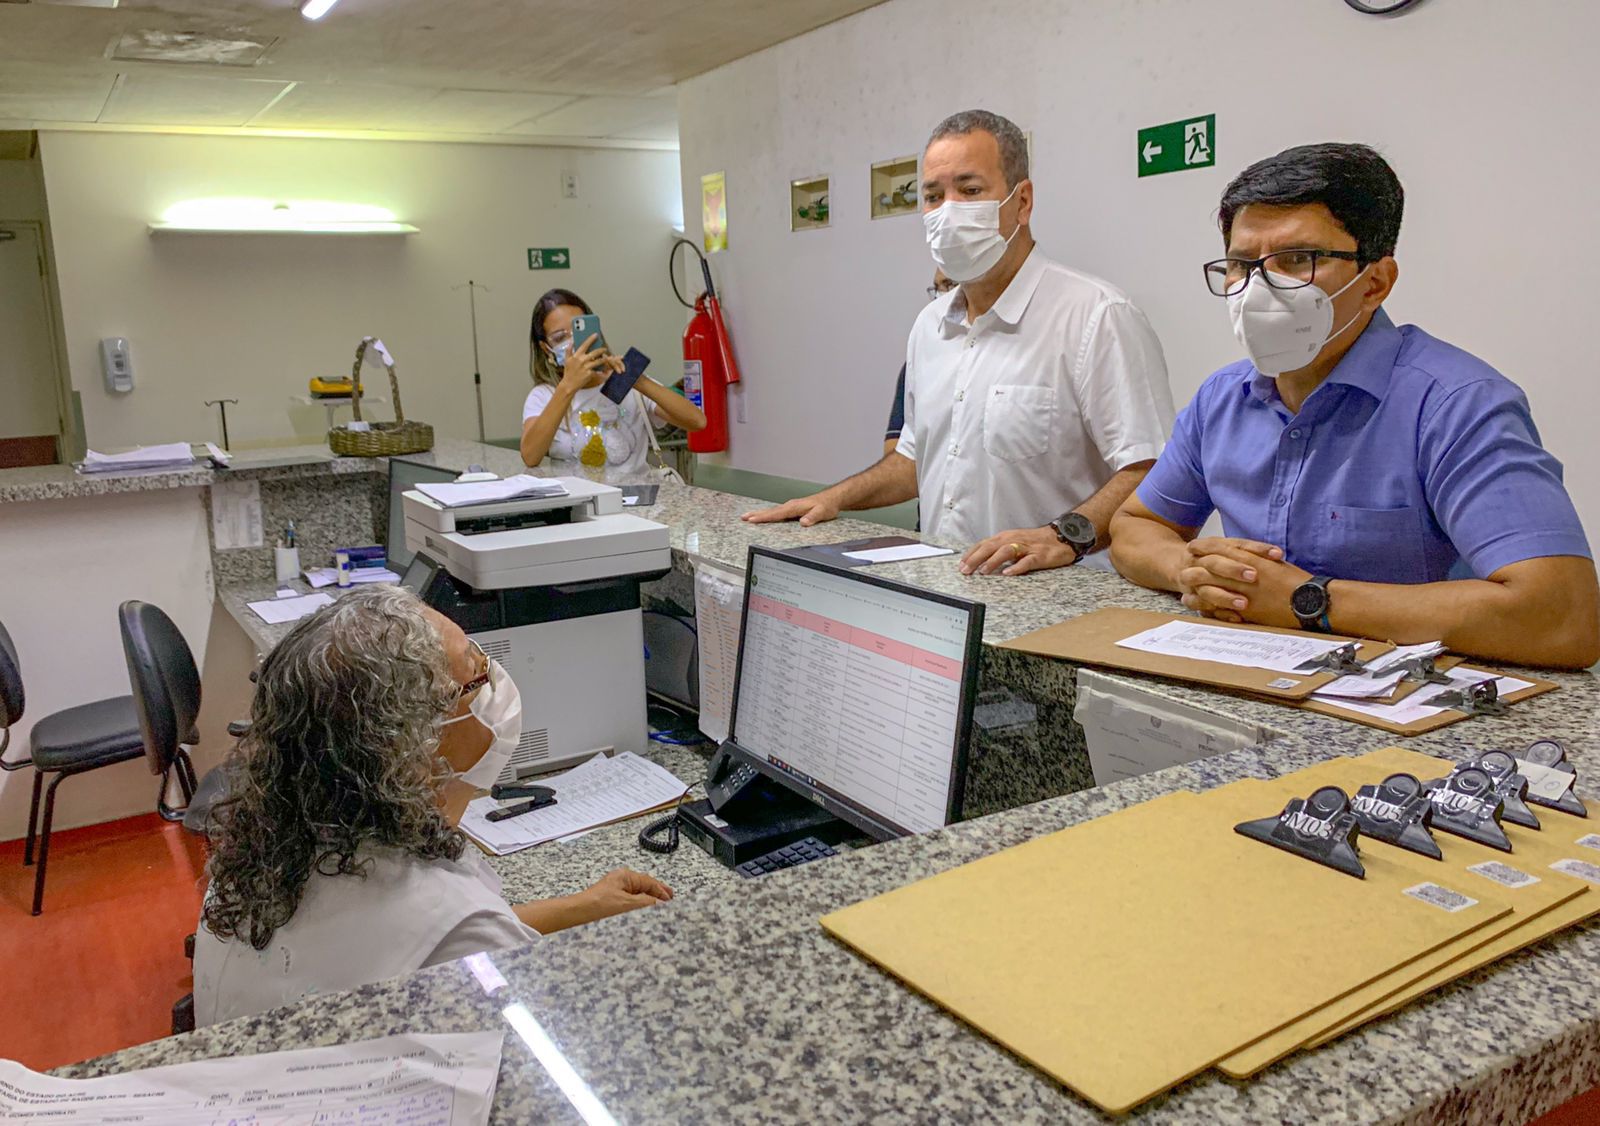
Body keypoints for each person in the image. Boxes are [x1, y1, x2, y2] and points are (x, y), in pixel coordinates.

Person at [1109, 143, 1598, 669]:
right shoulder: (1222, 398)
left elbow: (1562, 615)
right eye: (1241, 264)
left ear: (1376, 283)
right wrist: (1193, 570)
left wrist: (1309, 601)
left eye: (1298, 260)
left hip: (1414, 713)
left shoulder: (1456, 403)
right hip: (1254, 682)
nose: (1257, 289)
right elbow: (1133, 528)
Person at [193, 586, 674, 1025]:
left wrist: (579, 907)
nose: (493, 679)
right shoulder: (447, 925)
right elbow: (469, 956)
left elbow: (414, 943)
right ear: (412, 743)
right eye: (475, 675)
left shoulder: (274, 842)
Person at [745, 110, 1174, 579]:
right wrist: (833, 498)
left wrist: (1063, 537)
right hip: (947, 592)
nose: (948, 211)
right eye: (933, 195)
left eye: (970, 191)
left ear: (1022, 201)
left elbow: (1150, 471)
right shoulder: (930, 327)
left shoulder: (1096, 317)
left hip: (1060, 601)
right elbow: (914, 460)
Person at [521, 287, 706, 472]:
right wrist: (567, 386)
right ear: (546, 349)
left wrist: (638, 380)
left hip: (634, 498)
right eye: (560, 337)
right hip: (578, 499)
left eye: (578, 330)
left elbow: (697, 422)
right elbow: (530, 457)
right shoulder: (543, 395)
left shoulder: (623, 378)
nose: (574, 342)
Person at [885, 270, 957, 456]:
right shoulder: (918, 365)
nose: (941, 295)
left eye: (949, 285)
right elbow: (896, 453)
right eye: (937, 288)